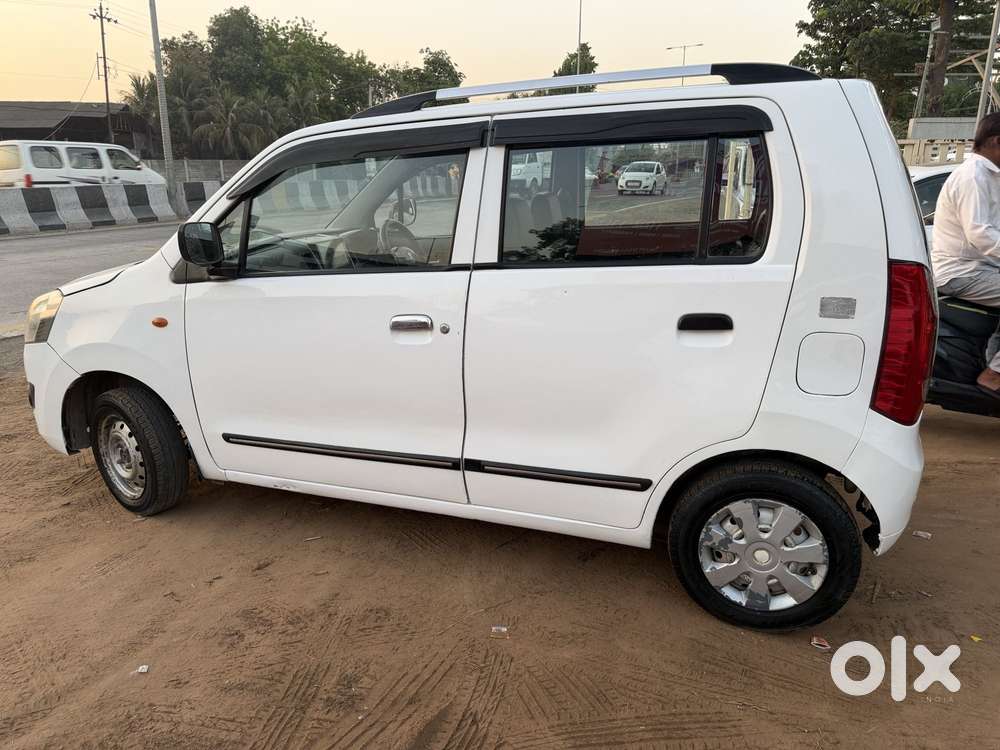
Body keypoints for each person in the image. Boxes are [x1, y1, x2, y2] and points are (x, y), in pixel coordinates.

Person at [932, 112, 1000, 395]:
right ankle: (994, 374)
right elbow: (980, 232)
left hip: (979, 268)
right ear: (996, 141)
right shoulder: (974, 176)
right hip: (959, 271)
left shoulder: (990, 176)